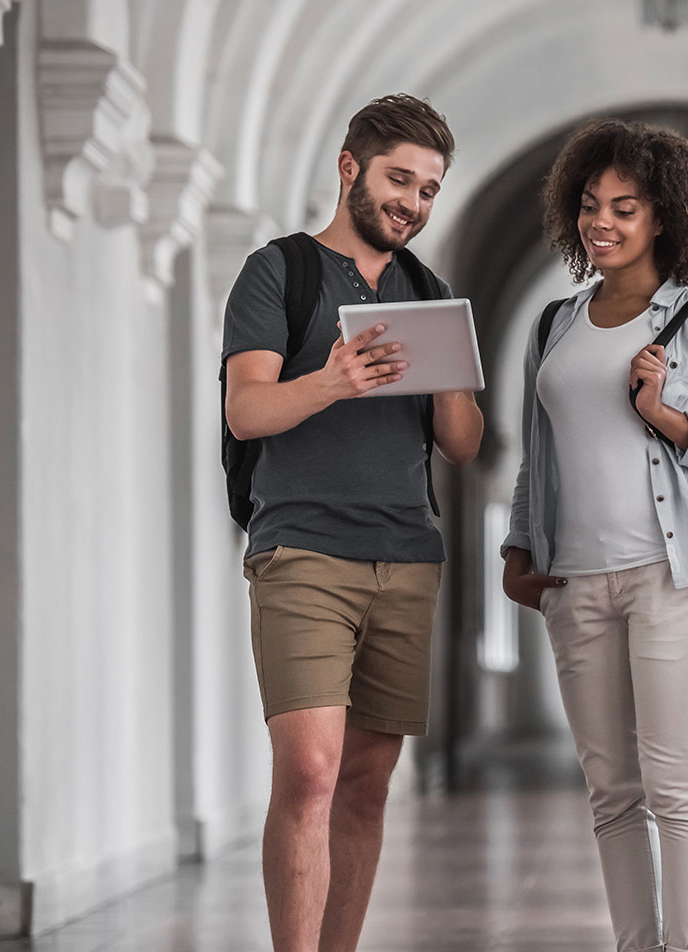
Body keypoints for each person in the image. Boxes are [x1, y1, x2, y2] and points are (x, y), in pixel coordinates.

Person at [500, 118, 688, 952]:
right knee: (612, 791)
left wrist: (669, 419)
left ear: (664, 218)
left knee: (675, 781)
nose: (602, 222)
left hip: (672, 577)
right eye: (590, 205)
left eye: (625, 207)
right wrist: (519, 549)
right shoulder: (555, 326)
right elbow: (535, 456)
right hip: (575, 584)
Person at [222, 94, 484, 952]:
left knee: (367, 785)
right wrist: (334, 379)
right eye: (398, 179)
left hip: (406, 559)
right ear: (349, 170)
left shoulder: (428, 291)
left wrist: (449, 371)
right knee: (309, 773)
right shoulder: (279, 271)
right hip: (301, 553)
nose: (412, 201)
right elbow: (247, 411)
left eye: (429, 189)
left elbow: (463, 445)